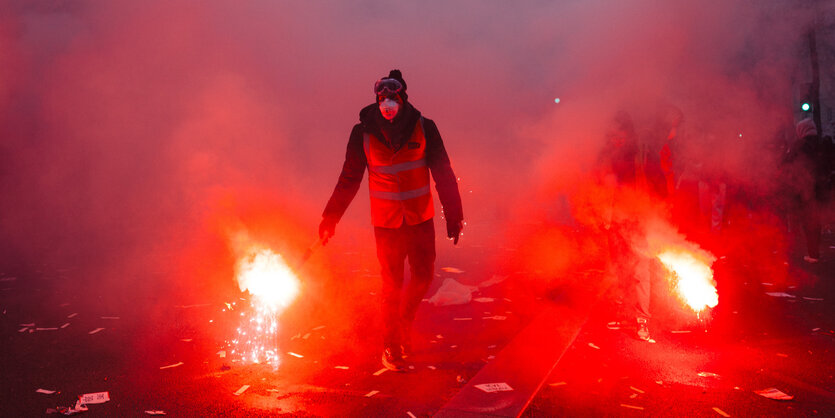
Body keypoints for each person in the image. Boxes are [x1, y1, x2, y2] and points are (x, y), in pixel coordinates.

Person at [319, 70, 464, 371]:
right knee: (391, 286)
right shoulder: (363, 133)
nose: (386, 104)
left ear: (402, 98)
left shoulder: (425, 128)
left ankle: (404, 320)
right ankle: (391, 345)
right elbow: (349, 179)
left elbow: (443, 173)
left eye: (391, 98)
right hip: (387, 224)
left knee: (423, 277)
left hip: (419, 220)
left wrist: (454, 213)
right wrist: (330, 217)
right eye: (381, 99)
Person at [598, 111, 655, 342]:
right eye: (612, 134)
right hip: (617, 220)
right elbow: (602, 184)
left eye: (619, 133)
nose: (616, 138)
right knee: (620, 267)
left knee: (641, 271)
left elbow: (654, 183)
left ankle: (642, 321)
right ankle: (625, 313)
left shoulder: (639, 154)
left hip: (639, 219)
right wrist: (606, 213)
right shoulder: (608, 155)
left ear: (628, 133)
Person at [784, 118, 832, 263]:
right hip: (819, 190)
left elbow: (787, 164)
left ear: (801, 130)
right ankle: (814, 253)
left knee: (795, 223)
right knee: (814, 222)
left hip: (801, 190)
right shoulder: (823, 144)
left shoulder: (799, 145)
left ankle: (789, 255)